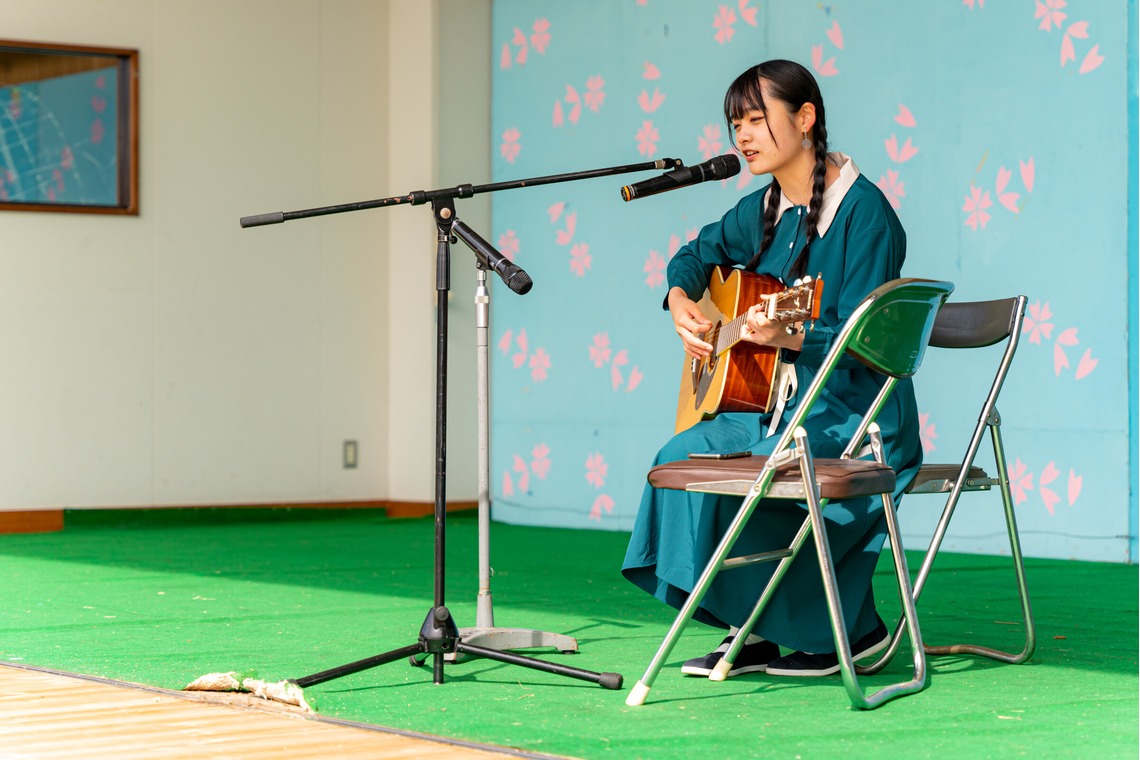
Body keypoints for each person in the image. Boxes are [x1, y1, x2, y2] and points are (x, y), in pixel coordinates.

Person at [621, 59, 921, 677]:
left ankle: (846, 633)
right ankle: (750, 628)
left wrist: (793, 335)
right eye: (736, 125)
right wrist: (681, 298)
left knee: (774, 468)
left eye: (757, 120)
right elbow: (694, 254)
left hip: (854, 414)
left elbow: (869, 342)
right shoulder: (763, 208)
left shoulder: (866, 214)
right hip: (777, 406)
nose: (743, 138)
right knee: (682, 458)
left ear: (805, 118)